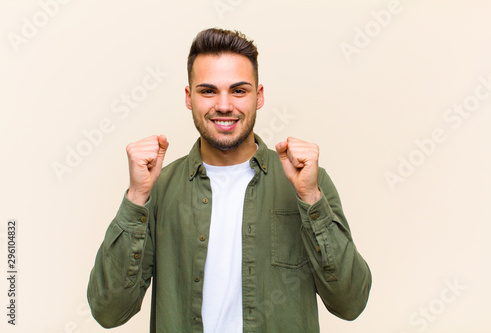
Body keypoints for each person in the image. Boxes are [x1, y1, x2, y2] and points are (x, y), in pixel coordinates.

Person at [87, 28, 371, 333]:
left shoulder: (306, 182)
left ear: (258, 96)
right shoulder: (159, 189)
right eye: (208, 91)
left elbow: (350, 302)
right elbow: (108, 310)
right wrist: (136, 196)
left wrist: (311, 198)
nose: (224, 105)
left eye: (238, 90)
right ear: (189, 97)